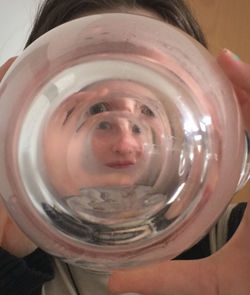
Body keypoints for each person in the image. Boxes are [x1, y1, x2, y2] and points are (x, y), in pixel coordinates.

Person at [0, 0, 249, 294]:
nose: (126, 141)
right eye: (97, 109)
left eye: (147, 109)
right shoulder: (20, 261)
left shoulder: (234, 243)